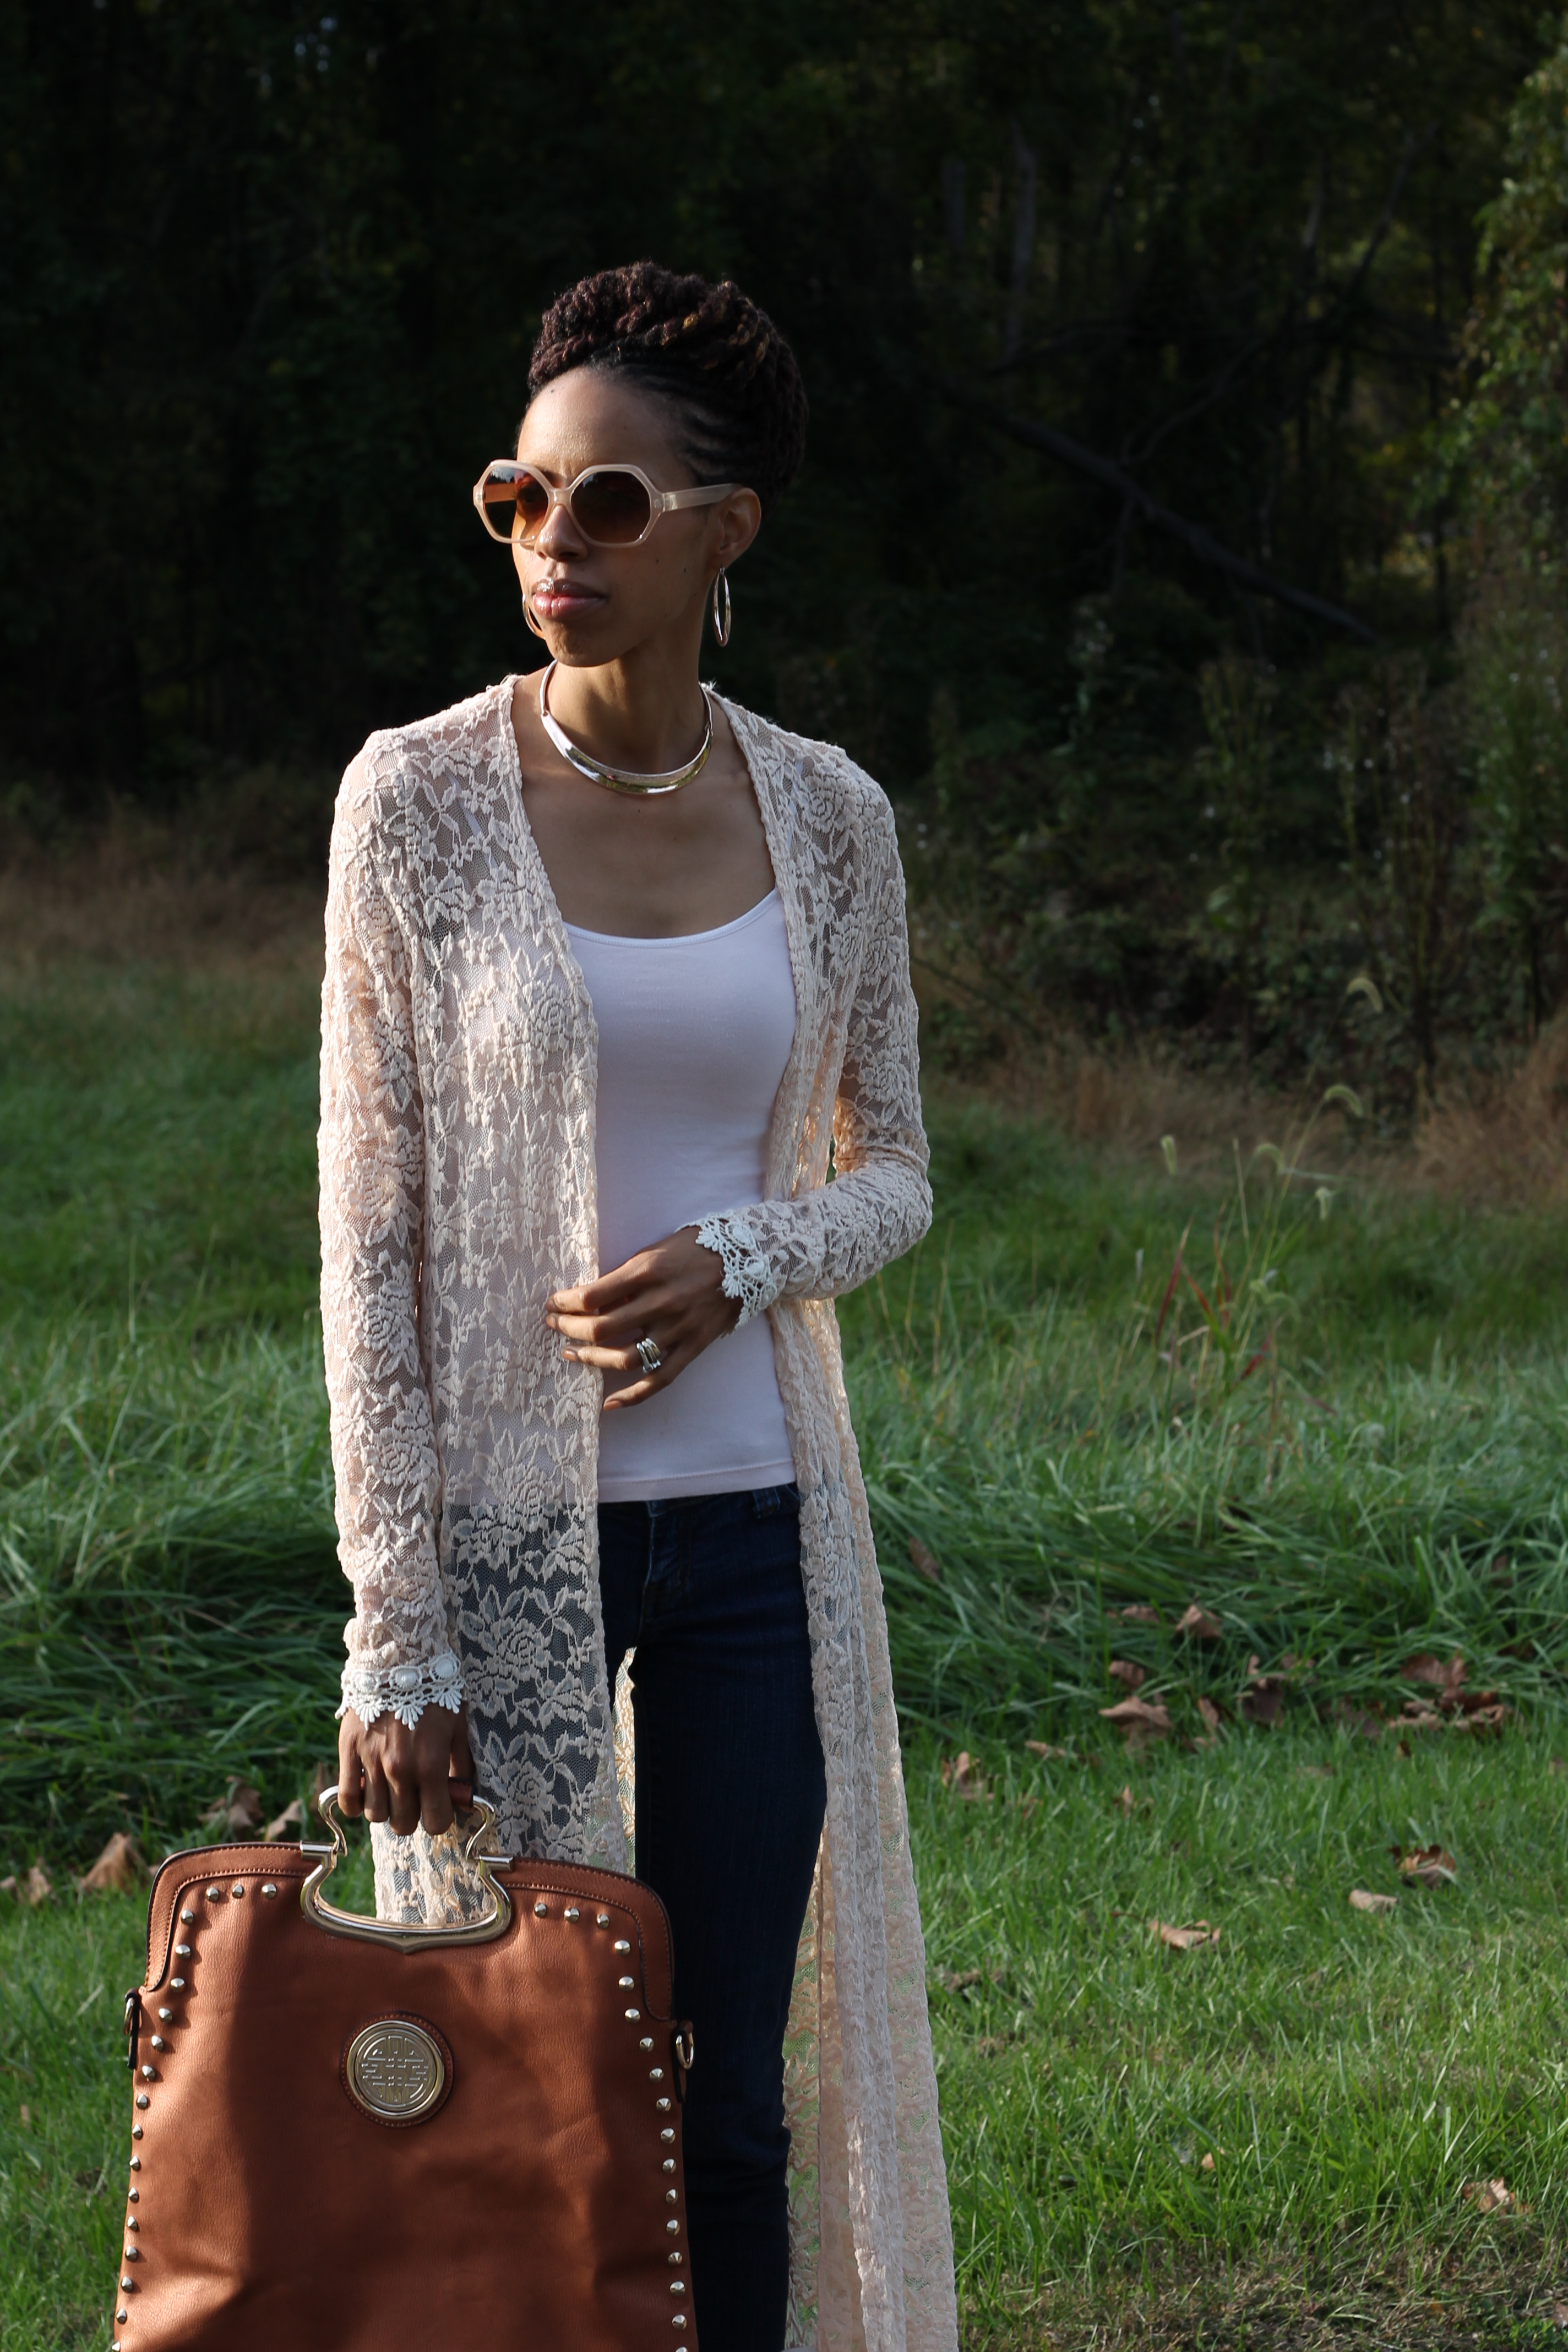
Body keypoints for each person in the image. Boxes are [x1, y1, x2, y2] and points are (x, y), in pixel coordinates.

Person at [318, 262, 957, 2352]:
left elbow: (895, 1171)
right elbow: (370, 1249)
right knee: (517, 2088)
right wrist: (396, 1631)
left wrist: (744, 1260)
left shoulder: (833, 818)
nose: (551, 545)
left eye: (606, 504)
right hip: (515, 1543)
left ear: (724, 531)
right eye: (517, 499)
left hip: (757, 1540)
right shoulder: (414, 804)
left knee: (729, 2099)